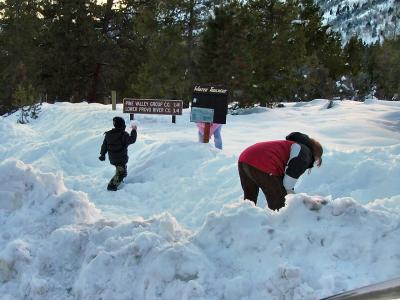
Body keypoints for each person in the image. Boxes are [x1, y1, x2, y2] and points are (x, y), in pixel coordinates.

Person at [238, 132, 323, 211]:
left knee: (249, 199)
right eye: (317, 159)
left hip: (244, 158)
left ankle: (246, 220)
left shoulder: (292, 145)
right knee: (279, 202)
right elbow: (288, 182)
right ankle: (279, 225)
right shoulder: (304, 153)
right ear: (315, 153)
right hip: (263, 162)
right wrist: (293, 197)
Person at [99, 116, 137, 191]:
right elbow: (132, 140)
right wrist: (134, 130)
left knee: (121, 170)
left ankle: (120, 179)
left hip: (113, 158)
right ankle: (111, 185)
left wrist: (102, 154)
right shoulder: (123, 134)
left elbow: (104, 145)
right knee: (121, 173)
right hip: (121, 158)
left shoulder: (109, 134)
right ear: (123, 125)